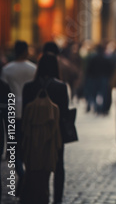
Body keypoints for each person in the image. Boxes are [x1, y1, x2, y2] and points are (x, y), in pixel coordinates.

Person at [22, 54, 69, 204]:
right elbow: (65, 113)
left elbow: (24, 113)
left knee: (33, 165)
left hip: (33, 133)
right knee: (58, 165)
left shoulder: (29, 87)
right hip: (55, 133)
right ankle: (57, 199)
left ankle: (36, 196)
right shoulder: (61, 87)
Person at [1, 40, 37, 184]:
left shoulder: (7, 69)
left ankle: (21, 173)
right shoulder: (33, 68)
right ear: (26, 51)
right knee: (28, 142)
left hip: (12, 106)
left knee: (14, 143)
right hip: (29, 108)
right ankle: (27, 173)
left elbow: (4, 87)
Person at [84, 44, 114, 114]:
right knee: (104, 94)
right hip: (103, 78)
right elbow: (110, 70)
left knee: (94, 94)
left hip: (94, 78)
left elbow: (89, 69)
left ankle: (96, 107)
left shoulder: (93, 58)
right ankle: (102, 109)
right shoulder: (106, 59)